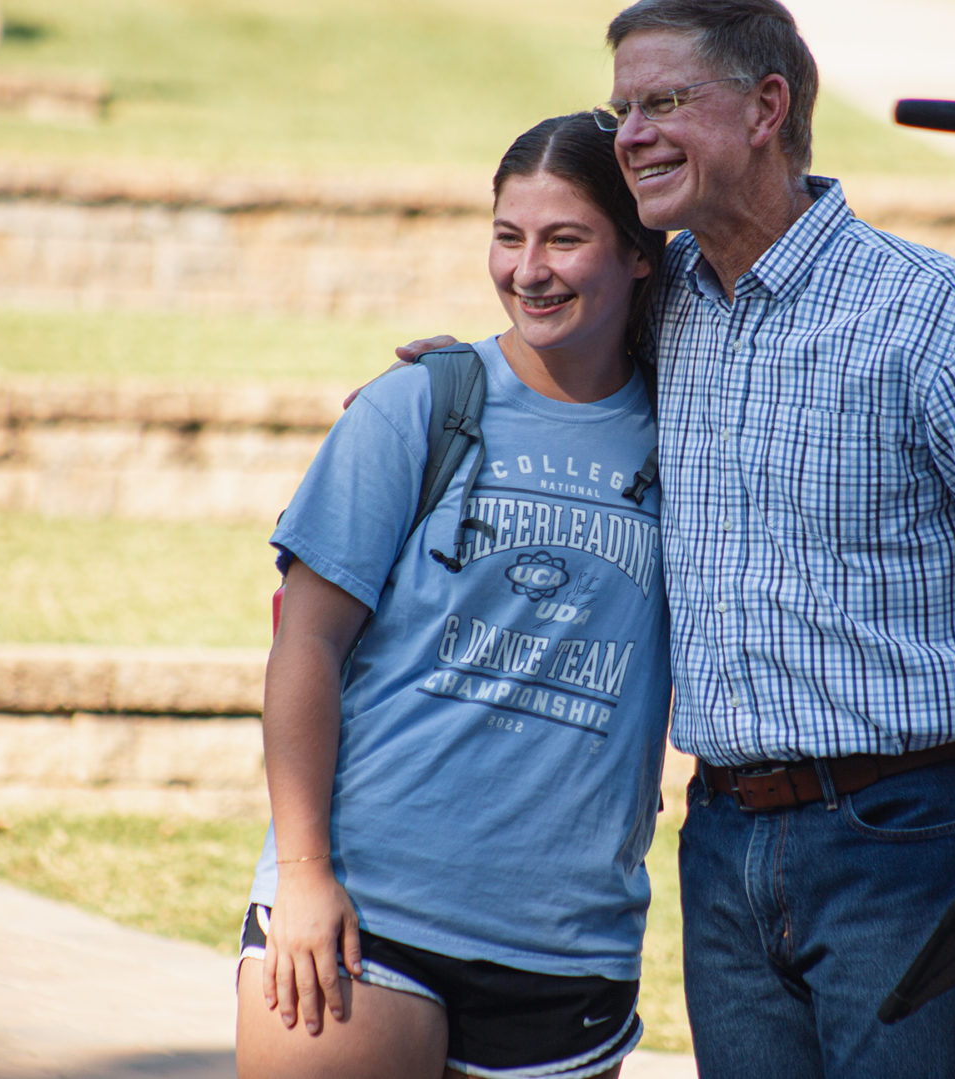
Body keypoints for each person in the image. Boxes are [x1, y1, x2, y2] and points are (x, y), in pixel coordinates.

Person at [590, 0, 955, 1079]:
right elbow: (541, 328)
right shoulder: (666, 297)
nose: (630, 138)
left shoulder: (927, 317)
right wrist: (436, 391)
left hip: (910, 837)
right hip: (724, 838)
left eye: (661, 105)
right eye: (619, 113)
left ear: (766, 107)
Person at [235, 113, 670, 1079]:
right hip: (364, 908)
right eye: (508, 236)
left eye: (566, 238)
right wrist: (303, 875)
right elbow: (305, 644)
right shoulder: (421, 404)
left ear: (640, 255)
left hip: (567, 940)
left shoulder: (688, 436)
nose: (529, 269)